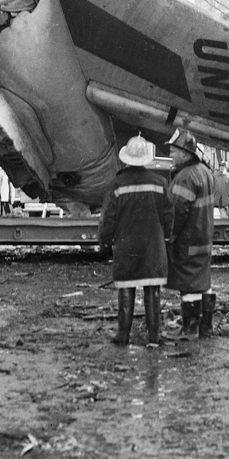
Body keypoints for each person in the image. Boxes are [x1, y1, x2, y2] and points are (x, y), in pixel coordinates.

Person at [100, 135, 173, 347]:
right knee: (152, 292)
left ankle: (123, 336)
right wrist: (166, 237)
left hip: (126, 247)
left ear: (126, 159)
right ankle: (154, 337)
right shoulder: (160, 183)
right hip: (153, 247)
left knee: (126, 290)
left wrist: (104, 243)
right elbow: (169, 215)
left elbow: (108, 219)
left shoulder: (117, 184)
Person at [165, 129, 216, 339]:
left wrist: (170, 237)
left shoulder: (186, 177)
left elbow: (177, 212)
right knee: (203, 284)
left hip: (188, 241)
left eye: (173, 152)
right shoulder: (205, 172)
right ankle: (206, 328)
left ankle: (190, 329)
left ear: (185, 154)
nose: (170, 156)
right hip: (204, 239)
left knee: (188, 287)